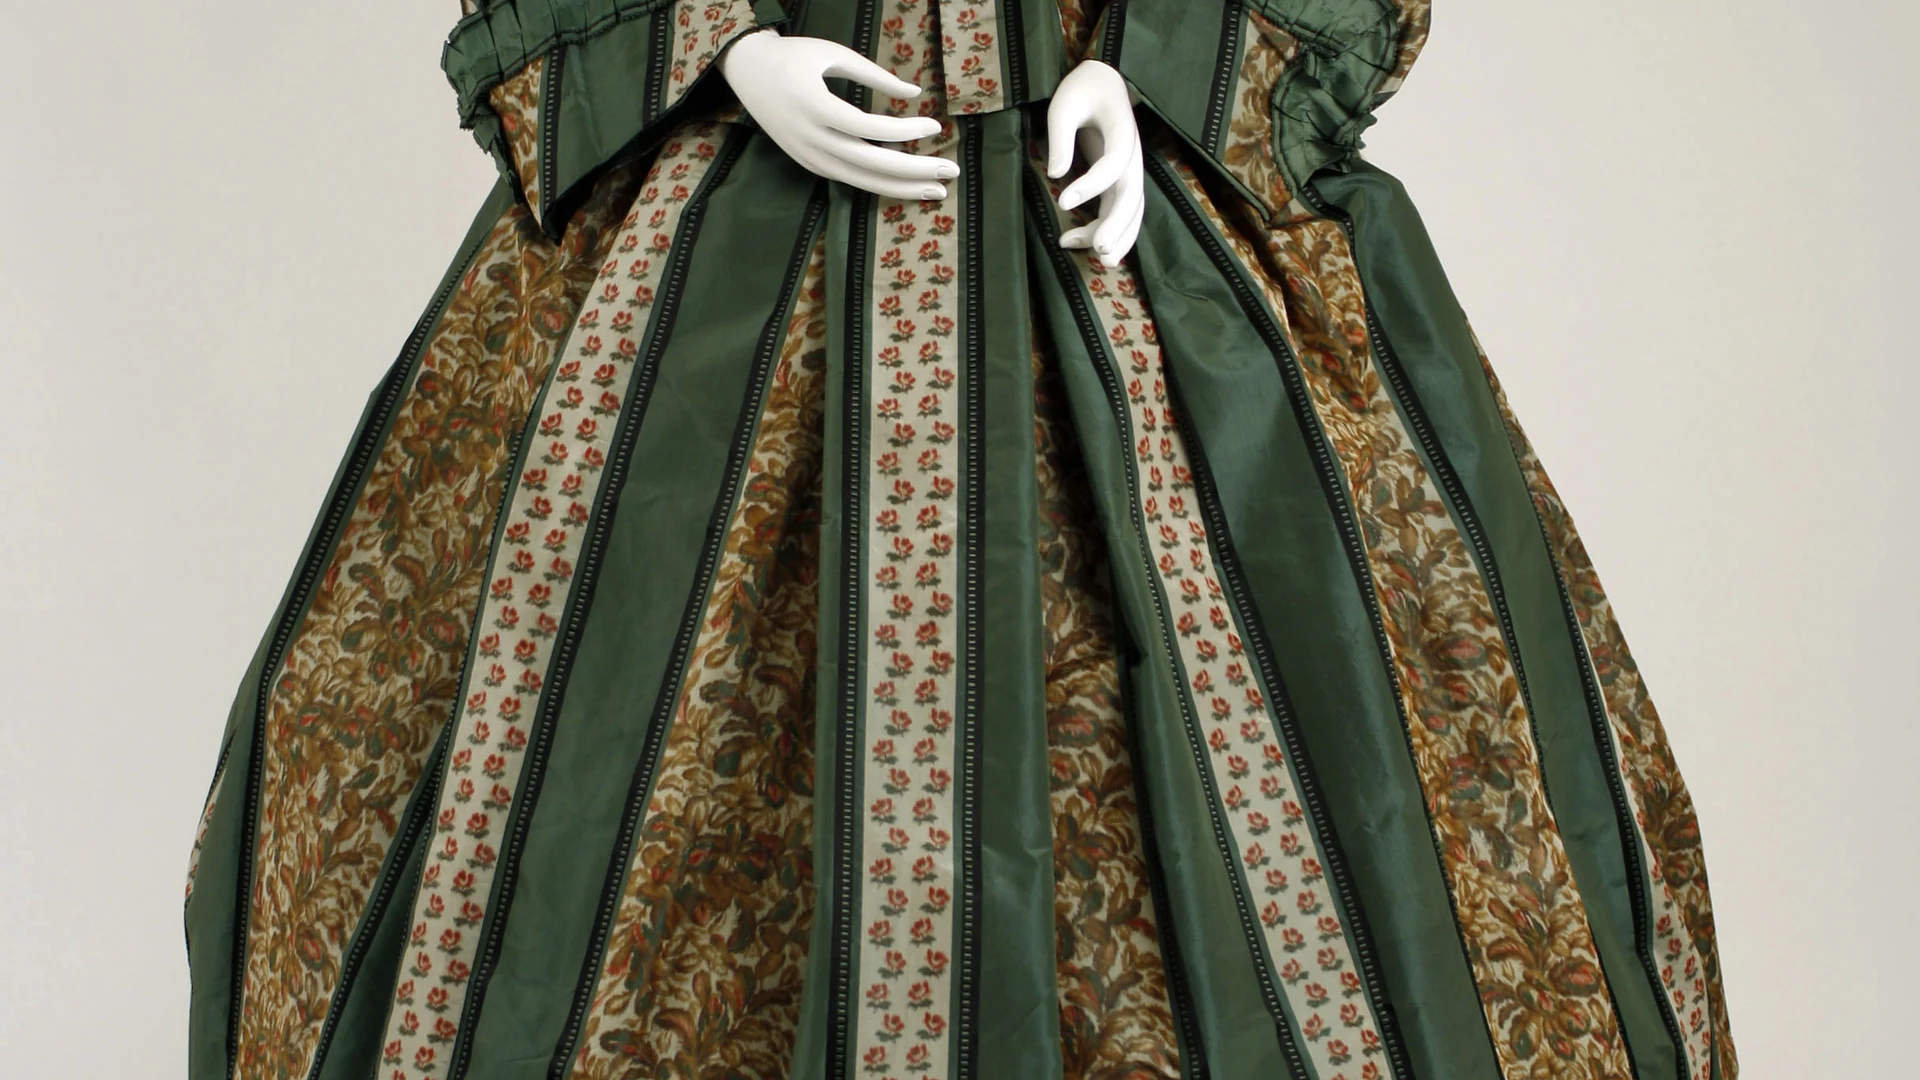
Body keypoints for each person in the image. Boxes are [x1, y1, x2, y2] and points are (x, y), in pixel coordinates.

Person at [183, 2, 1737, 1078]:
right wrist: (723, 46)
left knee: (1331, 798)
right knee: (537, 780)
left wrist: (1163, 63)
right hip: (739, 199)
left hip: (1110, 201)